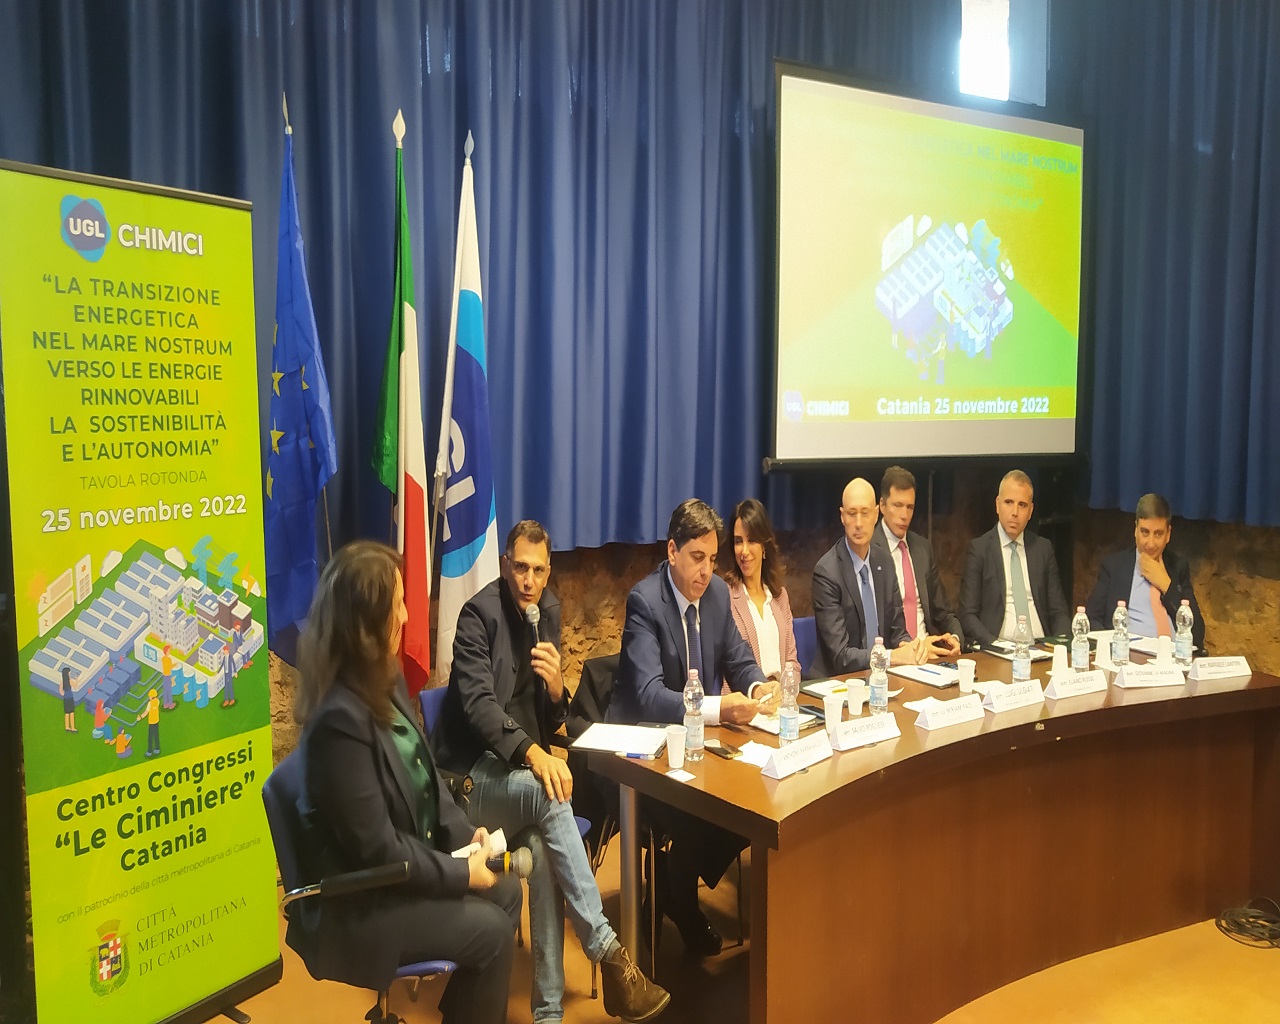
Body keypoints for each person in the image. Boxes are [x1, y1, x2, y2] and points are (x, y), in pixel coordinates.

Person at [434, 521, 668, 1024]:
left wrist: (558, 690)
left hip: (515, 781)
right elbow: (478, 707)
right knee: (549, 792)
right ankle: (607, 951)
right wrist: (534, 755)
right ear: (505, 565)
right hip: (468, 782)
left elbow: (551, 716)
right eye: (521, 568)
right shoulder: (477, 617)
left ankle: (548, 1014)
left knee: (541, 850)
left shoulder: (548, 614)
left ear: (548, 572)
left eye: (539, 571)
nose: (529, 581)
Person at [290, 540, 521, 1024]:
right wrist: (461, 873)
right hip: (362, 901)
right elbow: (379, 850)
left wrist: (468, 837)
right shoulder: (337, 721)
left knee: (506, 891)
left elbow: (426, 772)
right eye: (397, 603)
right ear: (366, 620)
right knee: (493, 932)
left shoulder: (384, 675)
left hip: (402, 869)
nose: (407, 615)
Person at [612, 499, 776, 956]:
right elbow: (650, 696)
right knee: (699, 811)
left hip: (701, 744)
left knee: (756, 800)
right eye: (696, 558)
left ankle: (673, 883)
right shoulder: (645, 601)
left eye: (712, 559)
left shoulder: (718, 594)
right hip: (644, 752)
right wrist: (721, 709)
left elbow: (739, 659)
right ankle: (678, 895)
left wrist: (759, 687)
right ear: (672, 551)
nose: (706, 572)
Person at [812, 478, 928, 676]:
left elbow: (897, 631)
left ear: (876, 514)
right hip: (840, 682)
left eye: (865, 513)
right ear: (842, 517)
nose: (858, 523)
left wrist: (910, 648)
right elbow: (840, 656)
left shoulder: (884, 561)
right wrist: (892, 657)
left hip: (882, 678)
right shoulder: (827, 573)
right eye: (852, 513)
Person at [959, 470, 1071, 646]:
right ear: (997, 505)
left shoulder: (1043, 549)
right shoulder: (980, 549)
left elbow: (1059, 611)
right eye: (1009, 502)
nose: (1015, 512)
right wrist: (996, 645)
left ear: (1031, 511)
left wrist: (1060, 647)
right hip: (1000, 645)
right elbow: (967, 615)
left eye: (1022, 505)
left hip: (1041, 645)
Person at [1086, 493, 1206, 650]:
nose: (1150, 544)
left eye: (1158, 534)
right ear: (1135, 529)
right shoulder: (1114, 567)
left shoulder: (1178, 567)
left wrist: (1166, 584)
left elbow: (1197, 634)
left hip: (1174, 657)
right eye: (1145, 532)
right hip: (1129, 655)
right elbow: (1091, 619)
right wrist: (1113, 647)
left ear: (1168, 534)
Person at [870, 466, 964, 660]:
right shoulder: (869, 549)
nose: (904, 515)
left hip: (930, 654)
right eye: (897, 505)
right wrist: (912, 650)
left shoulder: (922, 549)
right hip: (894, 657)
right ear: (882, 505)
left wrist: (954, 638)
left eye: (910, 507)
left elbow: (944, 612)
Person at [718, 498, 800, 683]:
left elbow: (792, 663)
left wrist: (785, 692)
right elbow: (727, 672)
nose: (744, 551)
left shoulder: (780, 596)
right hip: (747, 697)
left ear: (764, 546)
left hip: (782, 696)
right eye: (738, 541)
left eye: (752, 540)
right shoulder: (725, 597)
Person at [135, 689, 160, 757]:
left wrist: (140, 717)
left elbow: (146, 712)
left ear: (151, 696)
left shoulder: (150, 703)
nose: (149, 697)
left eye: (149, 696)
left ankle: (149, 751)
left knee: (150, 737)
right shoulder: (157, 701)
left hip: (151, 722)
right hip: (156, 721)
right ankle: (157, 748)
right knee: (156, 735)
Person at [61, 666, 77, 732]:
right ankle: (73, 727)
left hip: (65, 698)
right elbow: (75, 686)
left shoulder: (62, 681)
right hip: (70, 697)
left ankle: (67, 727)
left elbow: (61, 691)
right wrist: (77, 679)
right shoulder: (69, 680)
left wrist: (65, 694)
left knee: (67, 712)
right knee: (71, 712)